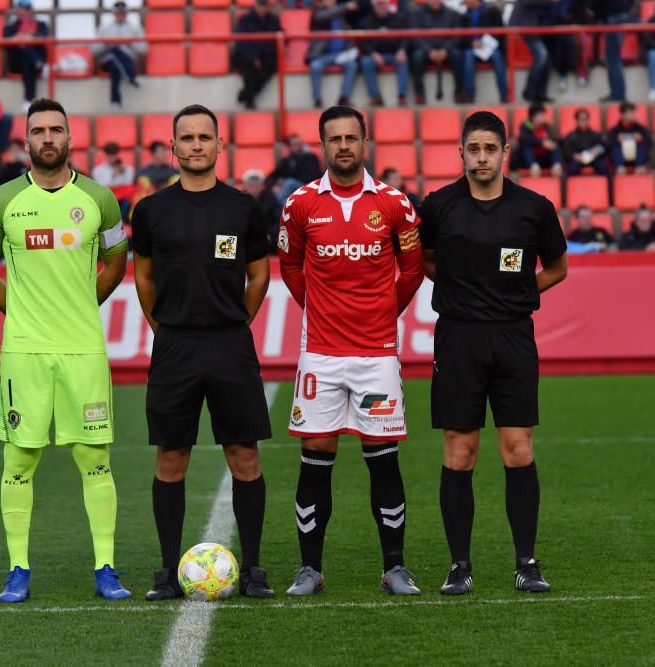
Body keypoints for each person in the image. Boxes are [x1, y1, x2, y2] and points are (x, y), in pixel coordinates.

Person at [0, 98, 132, 602]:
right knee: (18, 460)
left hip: (83, 350)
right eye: (38, 130)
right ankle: (18, 567)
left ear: (69, 137)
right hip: (24, 352)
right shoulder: (0, 202)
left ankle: (105, 566)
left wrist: (86, 304)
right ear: (25, 141)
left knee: (95, 458)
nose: (47, 138)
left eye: (55, 130)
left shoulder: (102, 199)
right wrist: (16, 311)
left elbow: (116, 260)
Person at [417, 111, 568, 596]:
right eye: (473, 149)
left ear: (505, 152)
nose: (481, 157)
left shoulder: (534, 208)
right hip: (458, 338)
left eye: (490, 149)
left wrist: (520, 293)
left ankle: (526, 562)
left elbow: (558, 267)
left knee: (518, 450)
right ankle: (459, 565)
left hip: (512, 339)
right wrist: (465, 291)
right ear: (460, 152)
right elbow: (426, 260)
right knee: (459, 454)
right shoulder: (437, 207)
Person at [277, 105, 424, 597]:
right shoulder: (299, 204)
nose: (344, 146)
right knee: (315, 457)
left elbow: (412, 269)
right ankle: (309, 569)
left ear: (366, 143)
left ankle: (395, 568)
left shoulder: (395, 203)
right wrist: (319, 309)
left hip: (376, 355)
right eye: (334, 139)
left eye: (351, 138)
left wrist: (384, 314)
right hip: (320, 353)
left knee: (382, 458)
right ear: (323, 146)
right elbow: (292, 269)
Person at [132, 104, 275, 601]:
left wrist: (238, 321)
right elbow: (144, 277)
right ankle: (168, 575)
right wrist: (162, 327)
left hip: (230, 344)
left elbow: (260, 275)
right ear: (172, 149)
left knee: (244, 455)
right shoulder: (151, 210)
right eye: (186, 138)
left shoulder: (243, 208)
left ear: (220, 146)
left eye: (204, 137)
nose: (196, 145)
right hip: (175, 347)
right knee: (171, 457)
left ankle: (254, 570)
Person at [306, 0, 361, 108]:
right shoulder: (317, 11)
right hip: (322, 55)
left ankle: (344, 98)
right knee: (315, 66)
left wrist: (350, 49)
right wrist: (346, 6)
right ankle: (317, 99)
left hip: (341, 55)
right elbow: (325, 15)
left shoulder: (340, 16)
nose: (333, 1)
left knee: (352, 65)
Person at [92, 1, 147, 109]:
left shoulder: (135, 29)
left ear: (126, 14)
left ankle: (115, 101)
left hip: (126, 61)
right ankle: (131, 76)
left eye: (123, 13)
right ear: (114, 14)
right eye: (118, 13)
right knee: (115, 50)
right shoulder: (104, 29)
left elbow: (143, 49)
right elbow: (94, 49)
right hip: (107, 60)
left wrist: (129, 43)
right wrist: (106, 43)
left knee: (115, 67)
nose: (121, 15)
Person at [358, 0, 410, 107]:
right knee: (366, 62)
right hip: (376, 55)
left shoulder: (398, 18)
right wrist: (372, 53)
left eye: (383, 4)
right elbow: (363, 43)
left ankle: (402, 96)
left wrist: (402, 50)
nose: (381, 7)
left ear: (388, 6)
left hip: (395, 54)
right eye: (378, 5)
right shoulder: (368, 21)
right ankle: (376, 97)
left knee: (403, 60)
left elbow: (406, 38)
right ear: (374, 7)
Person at [411, 0, 464, 104]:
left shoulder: (452, 13)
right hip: (426, 51)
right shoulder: (418, 13)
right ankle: (419, 94)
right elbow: (415, 36)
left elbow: (457, 36)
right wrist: (429, 51)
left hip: (447, 50)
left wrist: (445, 50)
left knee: (458, 55)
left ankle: (459, 92)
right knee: (416, 57)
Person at [232, 0, 281, 109]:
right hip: (246, 56)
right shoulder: (245, 19)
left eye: (265, 5)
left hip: (266, 57)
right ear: (255, 5)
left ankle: (247, 94)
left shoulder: (273, 20)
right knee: (248, 68)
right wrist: (253, 57)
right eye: (261, 5)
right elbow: (241, 42)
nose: (262, 8)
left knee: (270, 65)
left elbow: (281, 36)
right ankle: (250, 100)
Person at [459, 0, 509, 103]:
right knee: (468, 55)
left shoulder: (492, 11)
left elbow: (500, 33)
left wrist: (485, 42)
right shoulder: (463, 16)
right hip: (472, 48)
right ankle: (469, 95)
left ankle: (504, 95)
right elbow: (461, 37)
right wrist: (472, 43)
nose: (465, 2)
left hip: (491, 47)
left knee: (498, 56)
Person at [4, 0, 49, 112]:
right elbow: (5, 42)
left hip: (28, 63)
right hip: (16, 63)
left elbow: (43, 39)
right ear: (17, 11)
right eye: (23, 9)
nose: (26, 12)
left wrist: (28, 38)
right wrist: (20, 38)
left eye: (28, 9)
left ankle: (29, 100)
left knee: (27, 62)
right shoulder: (10, 27)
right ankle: (40, 65)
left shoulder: (41, 24)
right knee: (23, 47)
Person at [509, 0, 553, 103]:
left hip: (534, 30)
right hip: (524, 29)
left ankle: (540, 94)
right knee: (542, 56)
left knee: (547, 60)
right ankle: (529, 92)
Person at [267, 134, 324, 205]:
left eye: (299, 144)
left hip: (309, 186)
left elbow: (312, 176)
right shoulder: (286, 161)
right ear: (290, 147)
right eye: (295, 144)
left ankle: (282, 205)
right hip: (291, 191)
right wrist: (274, 186)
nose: (299, 146)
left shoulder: (311, 157)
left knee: (290, 182)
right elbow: (270, 177)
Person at [594, 0, 634, 102]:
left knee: (612, 58)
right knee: (612, 57)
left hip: (613, 17)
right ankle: (617, 92)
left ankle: (618, 94)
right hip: (621, 15)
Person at [92, 141, 136, 220]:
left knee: (130, 195)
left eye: (114, 154)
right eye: (110, 155)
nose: (112, 158)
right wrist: (114, 175)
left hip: (123, 200)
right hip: (108, 200)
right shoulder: (98, 170)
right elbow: (102, 187)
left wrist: (124, 171)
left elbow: (129, 183)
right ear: (106, 155)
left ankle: (121, 220)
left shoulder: (127, 169)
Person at [516, 103, 563, 176]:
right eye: (541, 115)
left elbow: (554, 140)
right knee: (526, 147)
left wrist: (550, 143)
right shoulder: (525, 126)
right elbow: (522, 139)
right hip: (530, 160)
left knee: (555, 147)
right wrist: (542, 142)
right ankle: (534, 166)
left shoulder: (547, 127)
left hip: (544, 159)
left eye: (544, 115)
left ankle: (556, 166)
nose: (544, 117)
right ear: (533, 117)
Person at [242, 169, 282, 252]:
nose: (253, 188)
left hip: (267, 237)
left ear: (262, 186)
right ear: (245, 185)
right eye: (250, 185)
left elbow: (279, 220)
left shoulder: (271, 199)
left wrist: (270, 234)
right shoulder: (238, 199)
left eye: (256, 185)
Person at [607, 101, 652, 174]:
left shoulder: (640, 129)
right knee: (615, 147)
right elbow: (608, 145)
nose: (634, 115)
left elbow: (650, 143)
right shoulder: (615, 130)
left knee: (641, 145)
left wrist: (641, 139)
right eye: (630, 113)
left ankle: (640, 167)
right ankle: (620, 168)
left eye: (634, 112)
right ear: (623, 115)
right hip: (621, 160)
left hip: (637, 159)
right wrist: (617, 140)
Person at [562, 107, 608, 176]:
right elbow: (566, 150)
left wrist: (597, 151)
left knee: (603, 167)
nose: (583, 121)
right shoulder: (571, 135)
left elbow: (604, 146)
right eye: (581, 119)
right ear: (576, 120)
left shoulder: (595, 134)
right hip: (578, 159)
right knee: (572, 168)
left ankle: (606, 186)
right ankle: (573, 186)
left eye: (585, 119)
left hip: (594, 158)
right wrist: (574, 156)